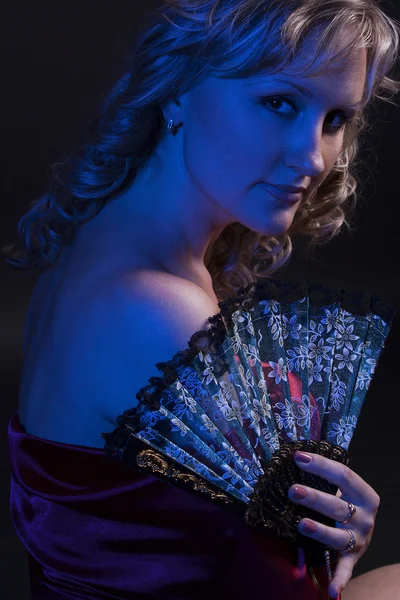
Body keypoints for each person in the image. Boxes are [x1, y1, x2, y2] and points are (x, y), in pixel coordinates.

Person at [4, 0, 400, 598]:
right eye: (280, 102)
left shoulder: (94, 245)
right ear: (178, 89)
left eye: (336, 117)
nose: (314, 156)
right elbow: (287, 588)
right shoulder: (158, 308)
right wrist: (331, 548)